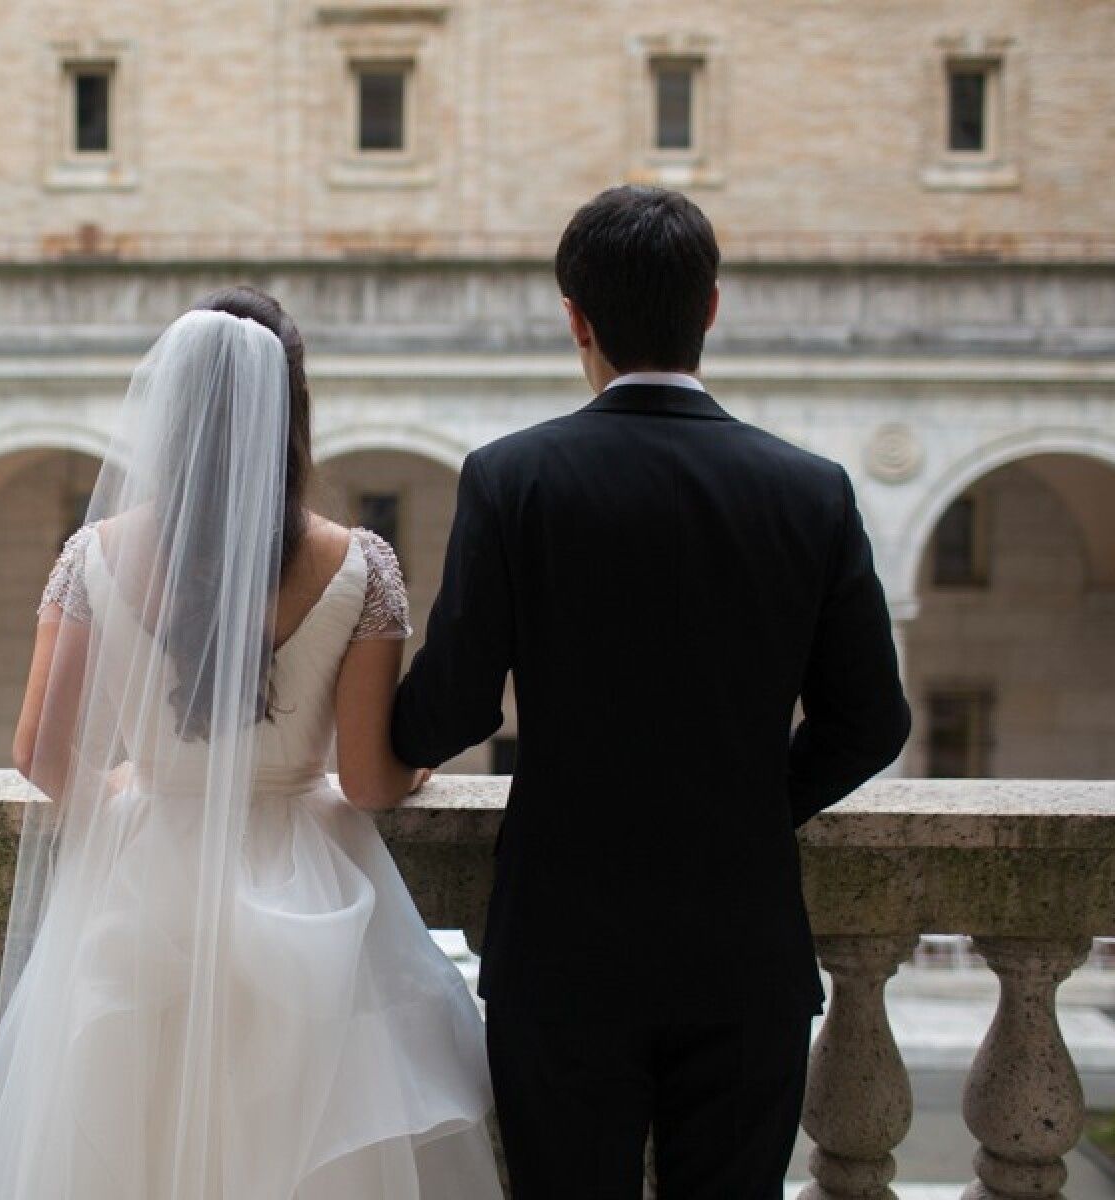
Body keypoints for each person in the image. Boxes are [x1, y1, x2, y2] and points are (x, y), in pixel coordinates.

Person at [390, 186, 912, 1197]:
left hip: (564, 950)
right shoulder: (812, 488)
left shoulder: (512, 478)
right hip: (742, 949)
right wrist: (758, 799)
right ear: (711, 307)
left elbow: (449, 713)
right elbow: (873, 719)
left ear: (575, 318)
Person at [0, 288, 502, 1199]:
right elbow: (365, 778)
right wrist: (417, 766)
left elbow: (38, 751)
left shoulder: (95, 555)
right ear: (292, 410)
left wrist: (123, 787)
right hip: (308, 884)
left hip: (145, 870)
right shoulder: (359, 565)